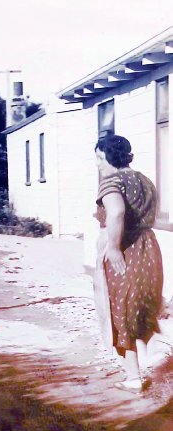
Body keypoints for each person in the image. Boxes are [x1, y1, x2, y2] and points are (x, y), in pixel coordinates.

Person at [94, 134, 163, 393]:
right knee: (140, 306)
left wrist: (112, 247)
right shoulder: (145, 181)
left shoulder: (112, 181)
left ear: (110, 157)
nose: (98, 164)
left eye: (100, 158)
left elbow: (117, 212)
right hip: (149, 248)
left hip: (126, 247)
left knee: (119, 309)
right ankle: (145, 363)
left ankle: (133, 377)